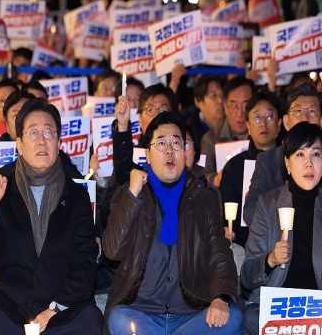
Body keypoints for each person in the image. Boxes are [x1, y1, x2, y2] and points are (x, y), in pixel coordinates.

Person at [0, 99, 103, 334]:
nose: (41, 140)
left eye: (49, 132)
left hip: (58, 310)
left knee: (90, 319)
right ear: (18, 144)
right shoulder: (2, 184)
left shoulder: (76, 194)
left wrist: (53, 309)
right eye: (33, 132)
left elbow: (84, 265)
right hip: (12, 306)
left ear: (59, 143)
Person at [104, 112, 242, 335]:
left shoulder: (203, 197)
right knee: (119, 319)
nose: (169, 151)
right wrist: (131, 196)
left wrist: (221, 297)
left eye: (177, 143)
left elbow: (220, 252)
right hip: (141, 312)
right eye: (161, 144)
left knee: (232, 318)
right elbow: (112, 251)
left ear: (187, 152)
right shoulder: (130, 194)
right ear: (147, 154)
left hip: (191, 313)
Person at [241, 122, 322, 334]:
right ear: (287, 164)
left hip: (317, 309)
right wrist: (270, 260)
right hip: (278, 307)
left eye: (316, 155)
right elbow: (247, 276)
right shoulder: (268, 204)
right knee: (249, 318)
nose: (309, 164)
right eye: (300, 155)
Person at [244, 82, 322, 225]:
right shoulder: (268, 161)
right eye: (297, 111)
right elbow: (250, 213)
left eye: (312, 111)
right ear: (286, 122)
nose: (304, 118)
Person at [219, 92, 281, 247]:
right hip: (244, 244)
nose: (263, 124)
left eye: (269, 117)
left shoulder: (292, 162)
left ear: (280, 123)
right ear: (248, 125)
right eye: (257, 118)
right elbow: (227, 210)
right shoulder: (235, 166)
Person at [201, 77, 254, 184]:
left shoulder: (262, 134)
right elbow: (202, 173)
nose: (240, 113)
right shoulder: (211, 139)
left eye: (246, 106)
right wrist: (215, 180)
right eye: (234, 106)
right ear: (225, 107)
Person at [186, 76, 225, 147]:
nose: (220, 101)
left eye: (222, 95)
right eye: (214, 96)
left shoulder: (233, 124)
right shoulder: (189, 131)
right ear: (198, 102)